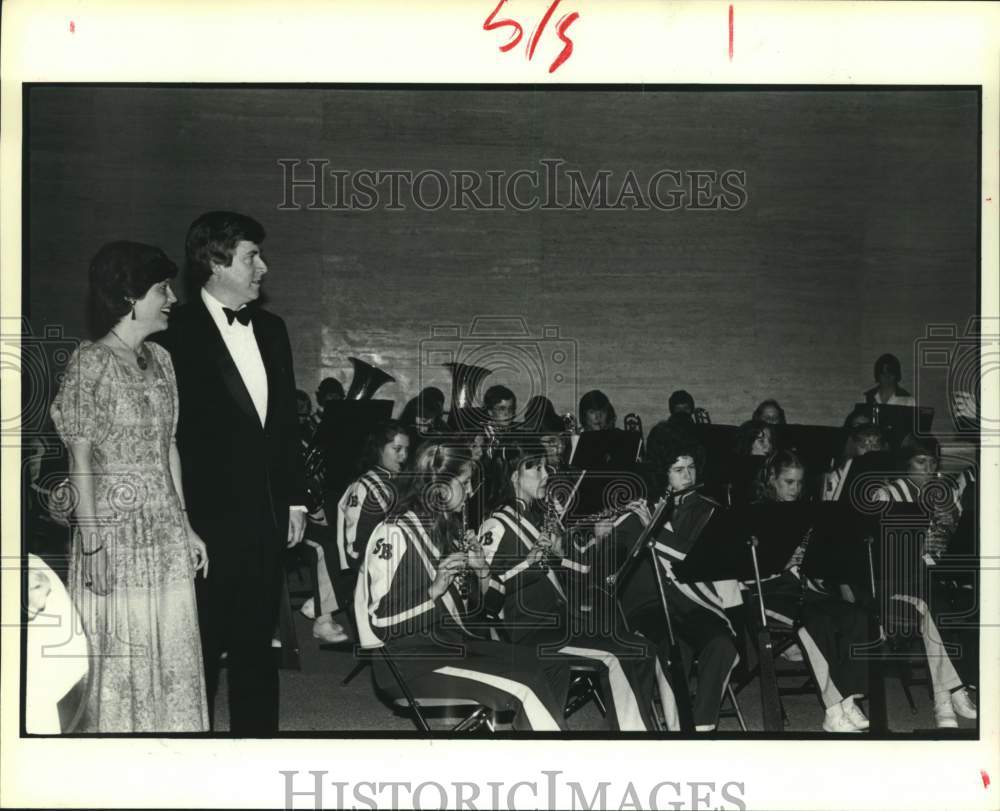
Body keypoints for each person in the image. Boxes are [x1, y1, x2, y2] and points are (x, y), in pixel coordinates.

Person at [156, 211, 306, 735]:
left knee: (255, 645)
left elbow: (286, 423)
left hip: (265, 519)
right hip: (205, 525)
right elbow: (166, 435)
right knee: (200, 646)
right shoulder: (172, 332)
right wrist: (181, 519)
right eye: (251, 256)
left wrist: (295, 501)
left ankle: (257, 749)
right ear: (217, 262)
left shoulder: (272, 328)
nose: (263, 267)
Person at [50, 240, 209, 732]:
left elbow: (170, 448)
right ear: (128, 297)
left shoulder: (162, 360)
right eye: (162, 288)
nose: (172, 298)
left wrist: (186, 525)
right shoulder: (91, 363)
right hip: (113, 529)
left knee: (170, 639)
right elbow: (80, 460)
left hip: (162, 524)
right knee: (122, 648)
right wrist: (93, 542)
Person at [354, 442, 570, 730]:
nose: (470, 492)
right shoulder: (393, 533)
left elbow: (487, 610)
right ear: (440, 485)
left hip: (453, 644)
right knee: (526, 684)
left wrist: (481, 572)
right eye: (465, 483)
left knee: (551, 662)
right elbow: (381, 621)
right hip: (411, 663)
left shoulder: (449, 529)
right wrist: (433, 591)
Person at [477, 438, 672, 731]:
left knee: (641, 647)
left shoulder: (539, 515)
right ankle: (634, 743)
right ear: (514, 476)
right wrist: (532, 561)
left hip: (563, 622)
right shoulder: (496, 525)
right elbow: (487, 597)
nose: (546, 475)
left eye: (546, 467)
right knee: (619, 656)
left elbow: (575, 574)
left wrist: (572, 550)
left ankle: (632, 730)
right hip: (530, 632)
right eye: (537, 468)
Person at [600, 421, 741, 732]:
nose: (688, 476)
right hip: (650, 605)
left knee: (723, 646)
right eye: (679, 470)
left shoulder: (707, 511)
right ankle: (680, 729)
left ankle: (701, 726)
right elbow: (603, 556)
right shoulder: (644, 507)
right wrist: (602, 533)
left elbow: (691, 560)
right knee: (671, 647)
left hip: (692, 602)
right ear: (662, 472)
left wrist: (654, 528)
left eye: (691, 468)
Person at [751, 450, 871, 732]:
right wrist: (781, 561)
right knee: (815, 624)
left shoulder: (804, 512)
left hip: (805, 589)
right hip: (770, 592)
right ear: (772, 480)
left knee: (855, 616)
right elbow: (745, 568)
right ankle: (833, 709)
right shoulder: (756, 512)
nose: (795, 490)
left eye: (799, 483)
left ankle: (849, 699)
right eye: (788, 482)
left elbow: (823, 560)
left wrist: (814, 555)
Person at [874, 434, 978, 728]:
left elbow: (958, 540)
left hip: (933, 577)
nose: (929, 469)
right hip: (894, 581)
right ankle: (946, 696)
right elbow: (876, 552)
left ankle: (955, 687)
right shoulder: (886, 495)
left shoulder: (944, 494)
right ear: (906, 465)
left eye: (933, 463)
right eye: (921, 462)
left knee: (962, 602)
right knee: (934, 605)